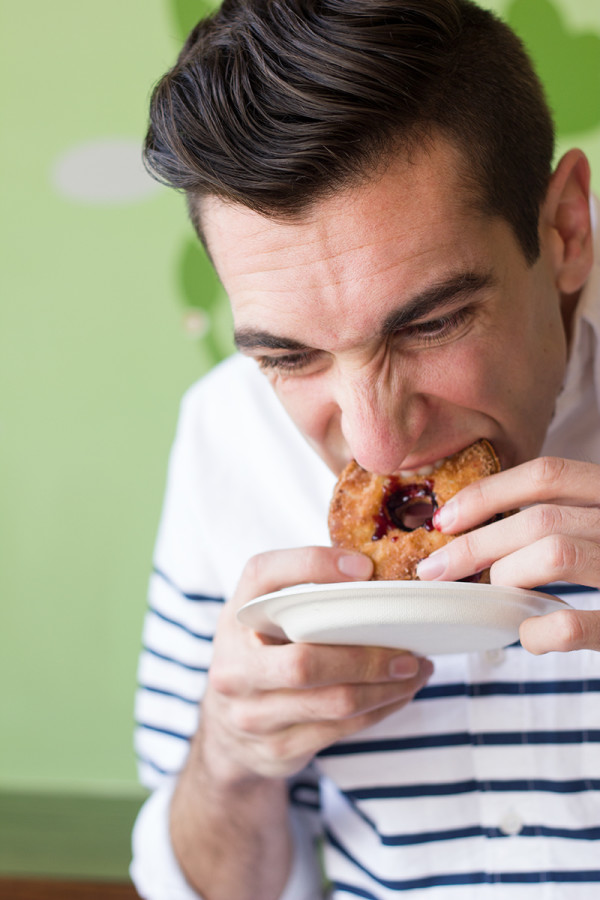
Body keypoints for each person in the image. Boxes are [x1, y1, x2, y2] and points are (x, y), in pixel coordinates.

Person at [130, 0, 600, 897]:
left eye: (431, 323)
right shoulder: (223, 437)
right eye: (289, 356)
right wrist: (230, 762)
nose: (378, 442)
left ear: (565, 229)